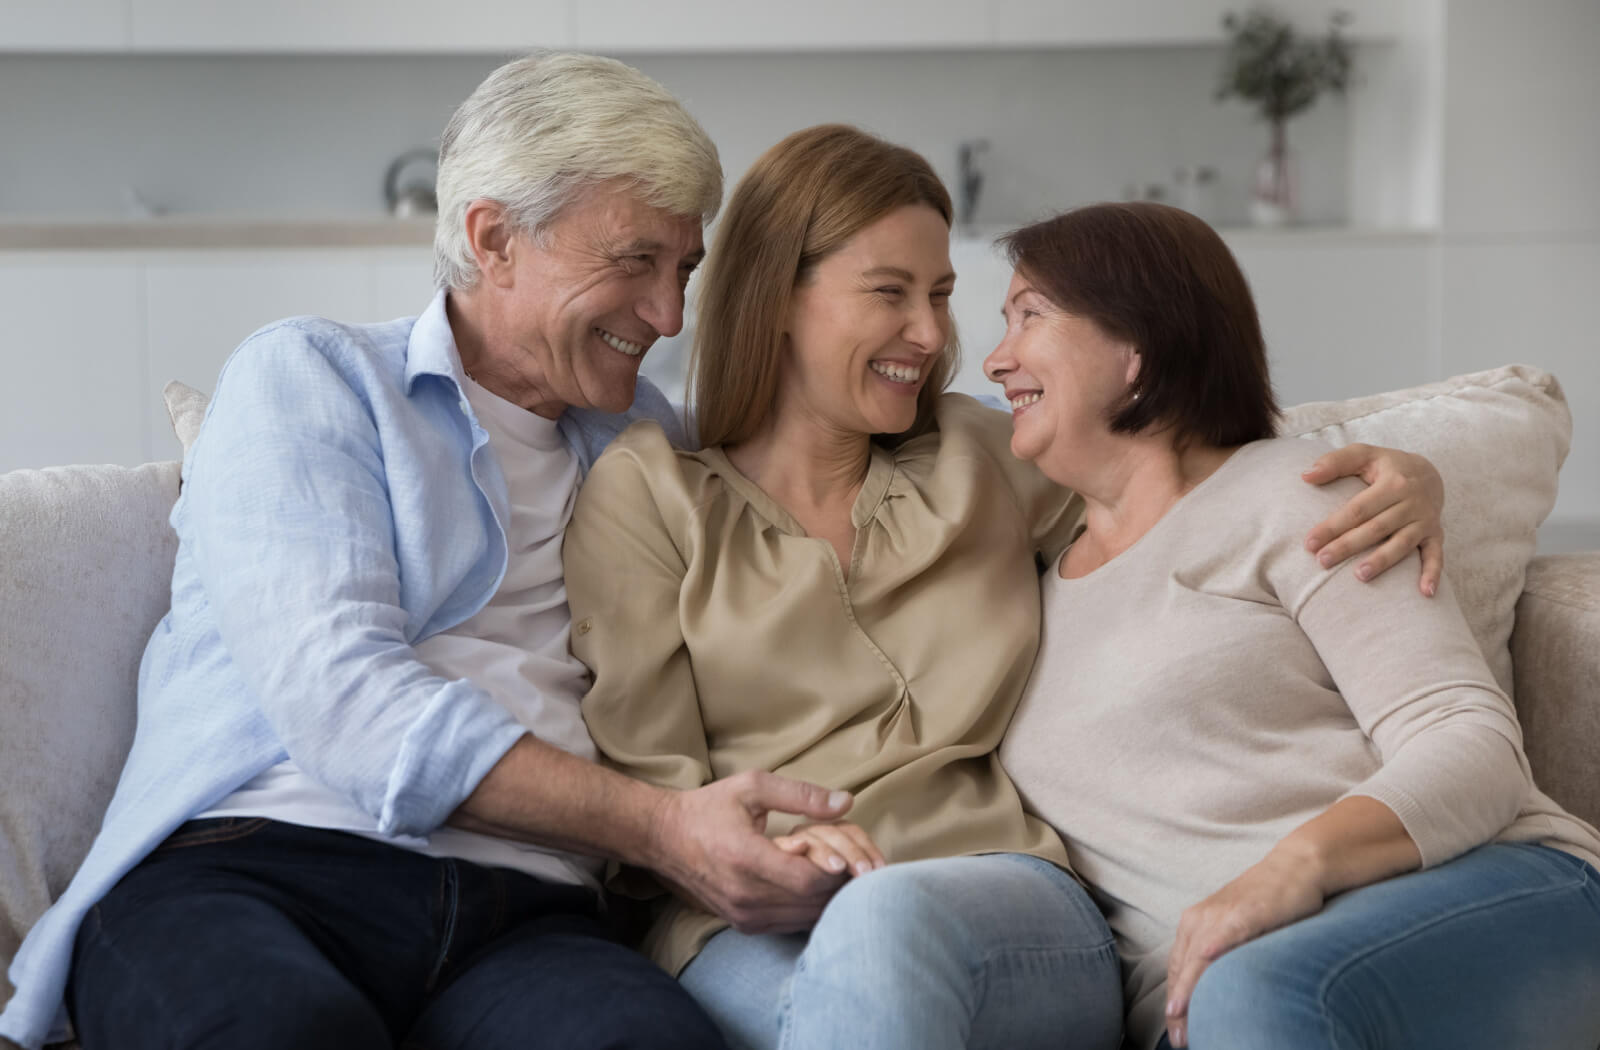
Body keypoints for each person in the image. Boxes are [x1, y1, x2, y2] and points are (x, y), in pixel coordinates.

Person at [0, 53, 864, 1050]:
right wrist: (662, 829)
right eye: (633, 263)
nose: (668, 318)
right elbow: (348, 703)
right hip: (259, 870)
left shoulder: (649, 445)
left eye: (683, 271)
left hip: (527, 912)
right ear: (493, 239)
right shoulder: (313, 378)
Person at [561, 125, 1448, 1050]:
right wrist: (772, 852)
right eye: (890, 293)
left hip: (1003, 897)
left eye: (941, 295)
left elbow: (1185, 466)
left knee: (884, 926)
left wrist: (1411, 472)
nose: (932, 334)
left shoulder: (985, 457)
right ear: (779, 295)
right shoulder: (653, 495)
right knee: (853, 968)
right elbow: (655, 794)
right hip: (748, 922)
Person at [988, 201, 1600, 1050]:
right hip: (1215, 990)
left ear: (1138, 351)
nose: (995, 357)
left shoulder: (1294, 495)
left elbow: (1470, 740)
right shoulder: (1023, 574)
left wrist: (1288, 871)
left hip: (1476, 886)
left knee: (1249, 990)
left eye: (1030, 315)